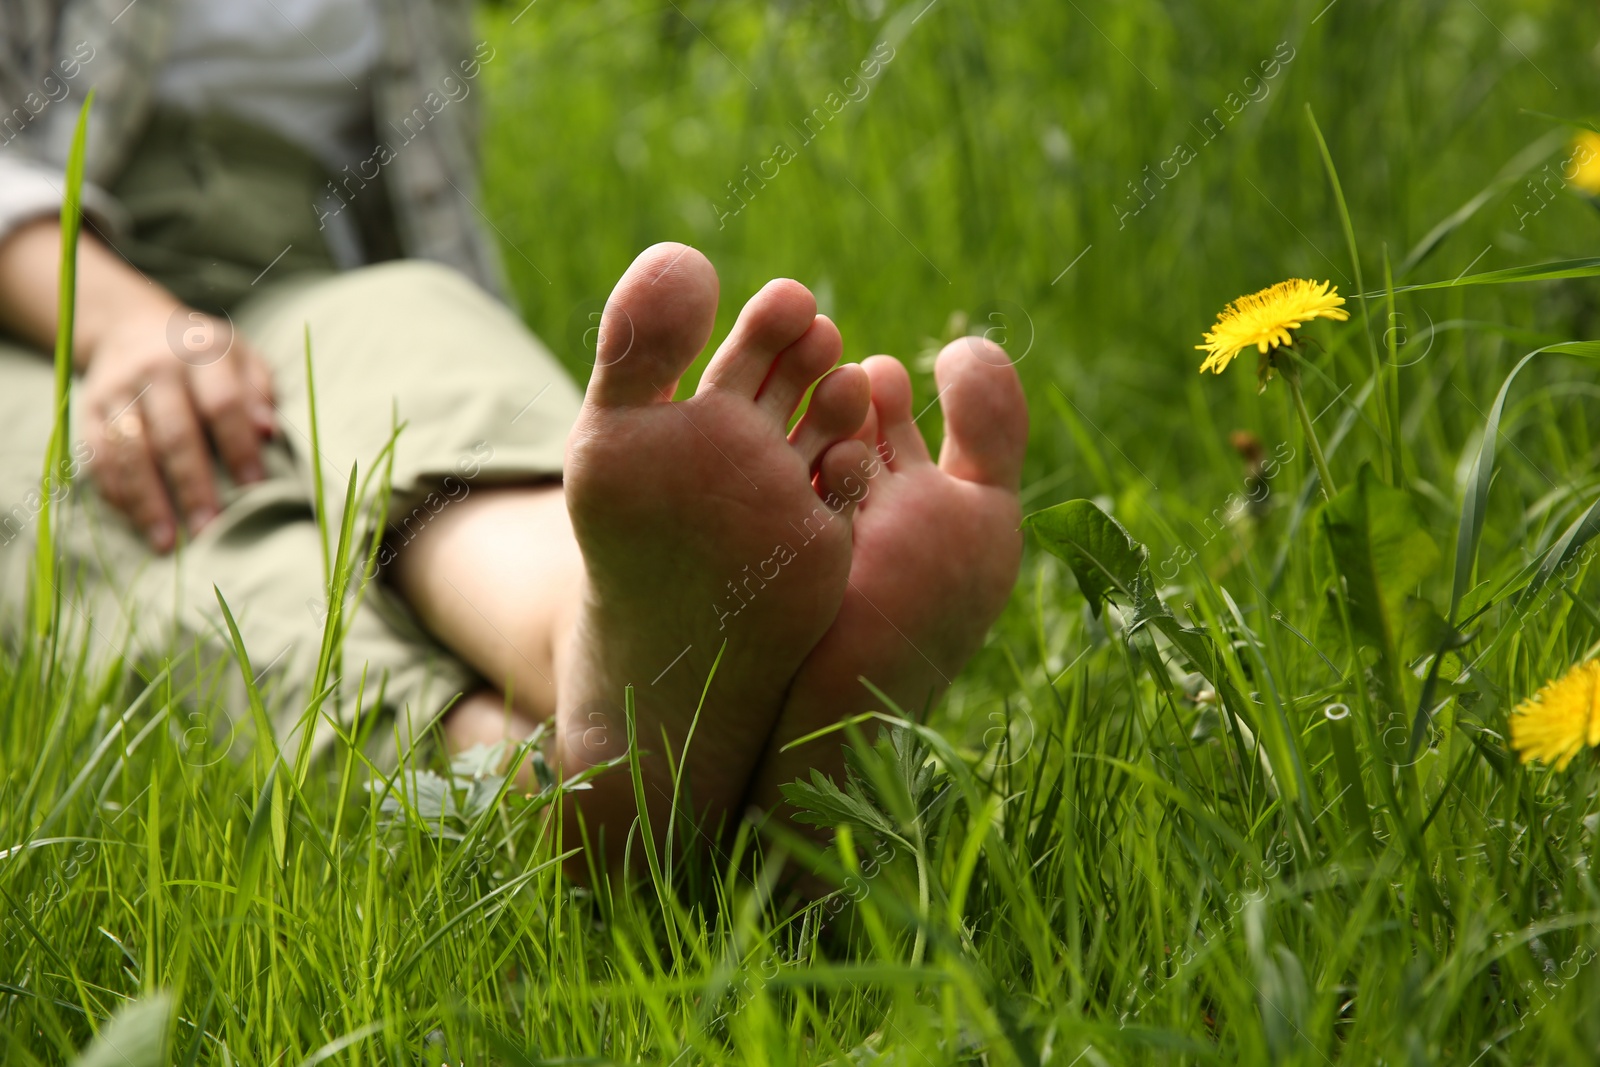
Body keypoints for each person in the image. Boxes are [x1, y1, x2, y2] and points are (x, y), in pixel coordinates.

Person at [0, 0, 1027, 867]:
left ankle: (595, 643)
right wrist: (122, 318)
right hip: (28, 300)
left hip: (304, 258)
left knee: (432, 377)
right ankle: (555, 783)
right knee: (164, 505)